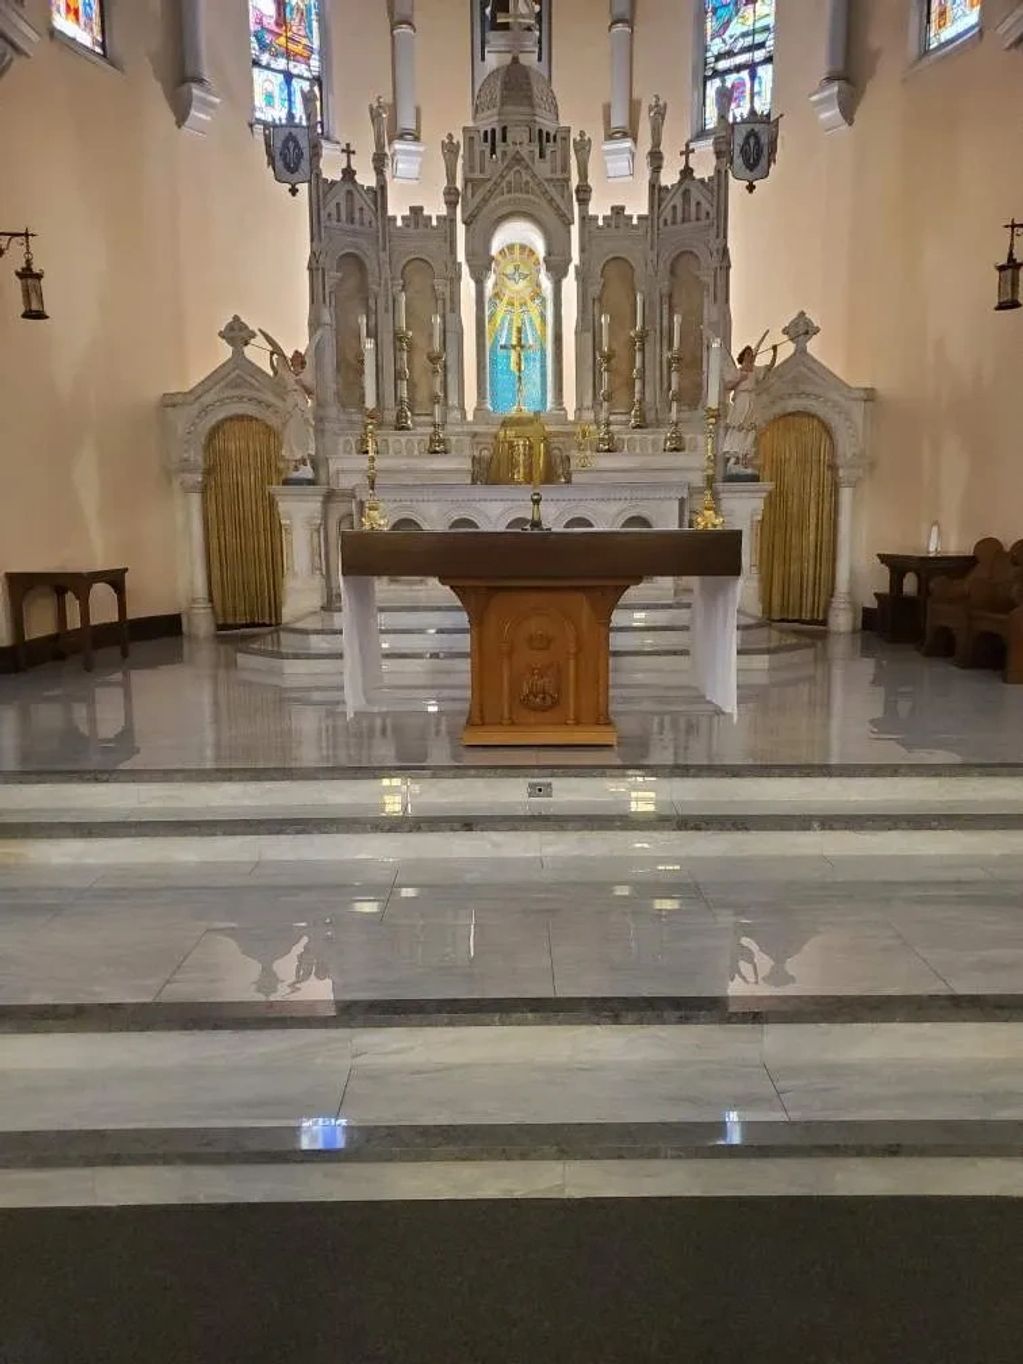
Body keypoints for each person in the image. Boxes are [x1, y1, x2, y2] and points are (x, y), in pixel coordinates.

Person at [721, 338, 777, 480]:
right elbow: (728, 385)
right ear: (743, 357)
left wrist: (774, 353)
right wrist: (740, 377)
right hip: (741, 401)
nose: (749, 356)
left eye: (751, 354)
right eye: (747, 354)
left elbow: (769, 367)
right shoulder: (738, 372)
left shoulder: (755, 371)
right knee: (738, 428)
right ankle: (734, 460)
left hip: (751, 401)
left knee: (750, 430)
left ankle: (744, 458)